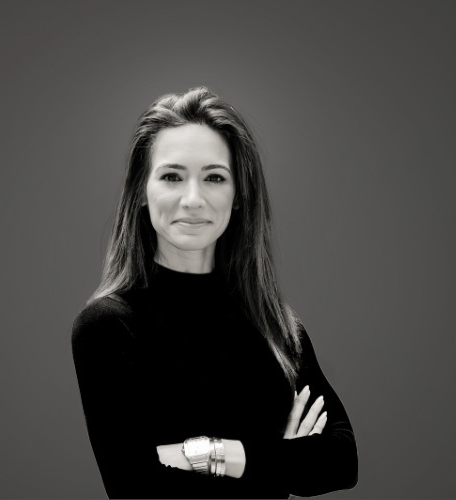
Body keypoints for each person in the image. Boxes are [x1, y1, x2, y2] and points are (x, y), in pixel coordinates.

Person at [71, 86, 358, 499]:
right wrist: (283, 459)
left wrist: (208, 453)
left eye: (214, 177)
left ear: (238, 195)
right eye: (172, 176)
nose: (193, 199)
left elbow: (341, 461)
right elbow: (136, 485)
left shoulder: (275, 325)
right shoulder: (107, 326)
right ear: (140, 192)